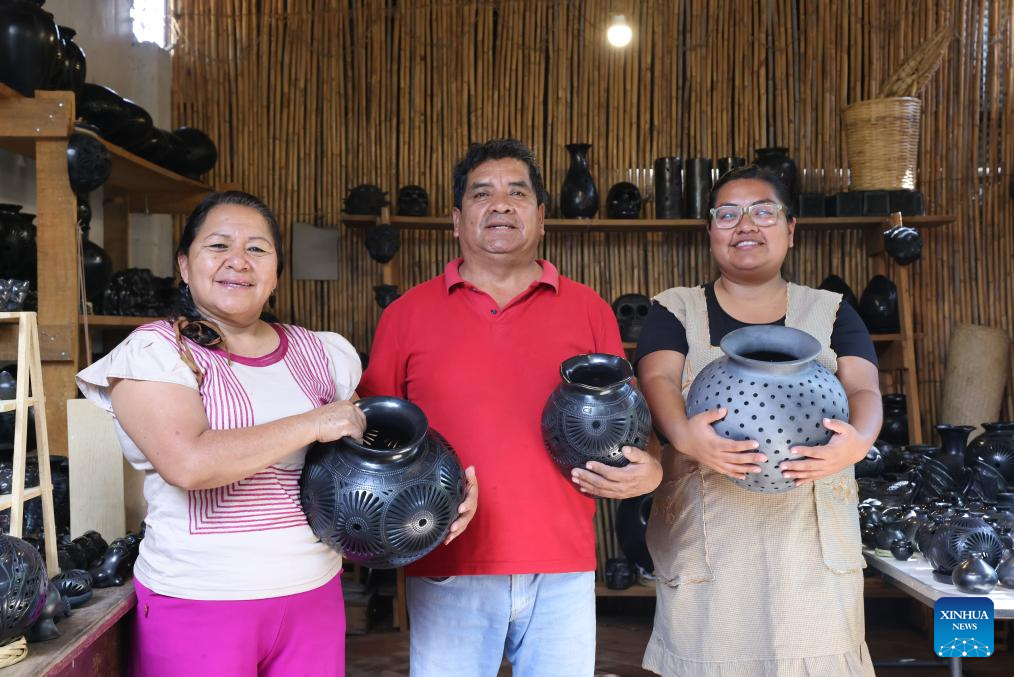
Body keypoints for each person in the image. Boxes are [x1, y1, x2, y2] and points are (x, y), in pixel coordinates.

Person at [358, 138, 662, 676]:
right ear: (457, 220)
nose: (500, 204)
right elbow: (374, 442)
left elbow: (630, 420)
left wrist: (650, 468)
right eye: (482, 194)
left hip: (561, 565)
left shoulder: (589, 309)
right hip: (447, 562)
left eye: (517, 193)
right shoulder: (405, 315)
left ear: (541, 217)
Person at [77, 191, 373, 676]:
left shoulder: (321, 353)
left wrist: (439, 494)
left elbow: (367, 453)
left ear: (276, 271)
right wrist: (315, 422)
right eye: (218, 246)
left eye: (257, 249)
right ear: (184, 264)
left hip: (314, 595)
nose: (238, 261)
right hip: (200, 601)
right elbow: (188, 463)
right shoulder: (155, 352)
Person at [635, 165, 881, 676]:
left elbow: (864, 388)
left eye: (763, 212)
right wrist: (683, 434)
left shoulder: (832, 311)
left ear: (790, 229)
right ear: (710, 231)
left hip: (810, 547)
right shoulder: (675, 309)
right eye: (728, 214)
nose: (745, 225)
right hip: (708, 544)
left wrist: (858, 441)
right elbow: (657, 378)